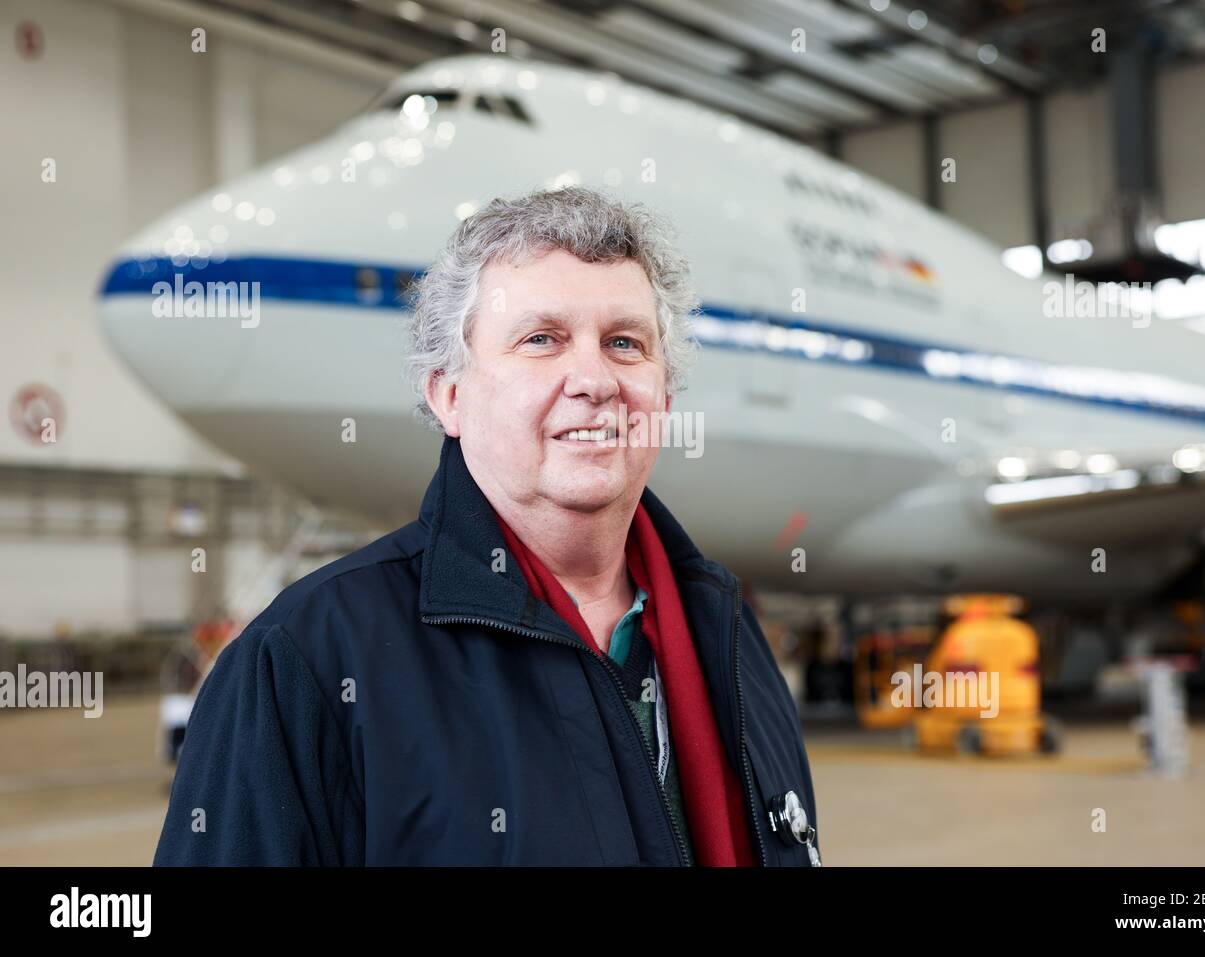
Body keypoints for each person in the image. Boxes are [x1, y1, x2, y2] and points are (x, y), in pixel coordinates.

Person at [154, 186, 820, 866]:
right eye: (541, 339)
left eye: (625, 342)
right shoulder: (304, 661)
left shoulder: (729, 634)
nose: (594, 378)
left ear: (665, 397)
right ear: (449, 395)